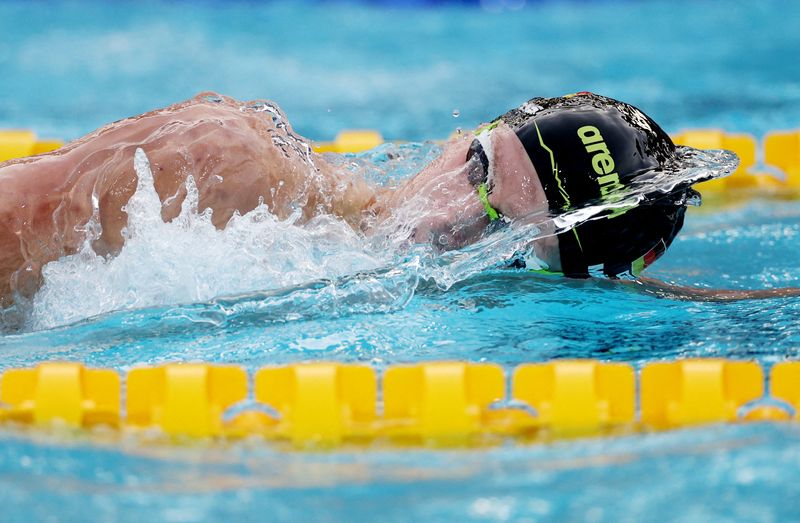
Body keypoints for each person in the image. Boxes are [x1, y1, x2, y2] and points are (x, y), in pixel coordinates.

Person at [0, 91, 792, 309]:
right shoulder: (223, 162)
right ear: (467, 132)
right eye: (477, 171)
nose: (449, 220)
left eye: (507, 240)